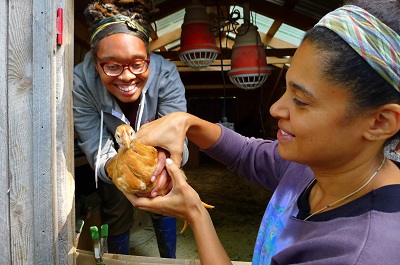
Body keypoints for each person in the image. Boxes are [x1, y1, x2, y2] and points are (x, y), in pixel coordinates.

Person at [123, 0, 400, 264]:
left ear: (380, 122)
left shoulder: (360, 254)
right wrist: (186, 122)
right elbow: (245, 153)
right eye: (286, 89)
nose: (276, 109)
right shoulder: (313, 167)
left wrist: (195, 213)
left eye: (301, 101)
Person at [72, 0, 189, 257]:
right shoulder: (81, 82)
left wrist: (165, 163)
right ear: (95, 62)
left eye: (138, 64)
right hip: (115, 156)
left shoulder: (166, 74)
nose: (126, 77)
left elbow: (177, 134)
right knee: (115, 204)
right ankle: (118, 259)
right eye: (112, 66)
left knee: (162, 193)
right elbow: (94, 142)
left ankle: (169, 259)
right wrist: (118, 171)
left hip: (154, 154)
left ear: (148, 57)